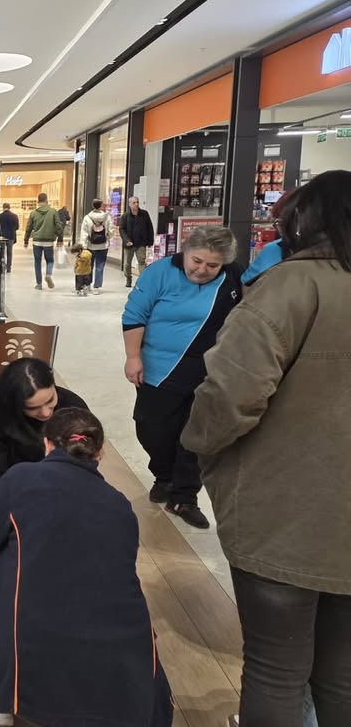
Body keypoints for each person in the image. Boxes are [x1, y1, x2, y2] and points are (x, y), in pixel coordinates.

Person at [182, 170, 351, 727]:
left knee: (278, 670)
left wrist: (200, 452)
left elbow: (229, 394)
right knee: (342, 674)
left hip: (288, 512)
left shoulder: (292, 287)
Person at [0, 407, 173, 727]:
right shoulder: (121, 506)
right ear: (99, 452)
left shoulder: (21, 478)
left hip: (28, 657)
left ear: (46, 444)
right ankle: (95, 720)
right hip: (121, 669)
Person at [121, 225, 242, 530]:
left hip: (210, 370)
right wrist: (133, 357)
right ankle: (164, 475)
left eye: (212, 265)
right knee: (151, 427)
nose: (202, 270)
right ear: (185, 252)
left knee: (196, 434)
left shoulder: (234, 278)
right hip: (159, 367)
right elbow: (134, 315)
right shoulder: (159, 273)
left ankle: (184, 496)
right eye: (197, 261)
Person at [0, 357, 88, 500]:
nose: (46, 412)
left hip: (65, 490)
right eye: (33, 408)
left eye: (50, 400)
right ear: (14, 404)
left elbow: (87, 464)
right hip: (10, 492)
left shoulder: (74, 408)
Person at [22, 192, 64, 290]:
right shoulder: (53, 212)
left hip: (37, 242)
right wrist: (60, 239)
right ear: (46, 200)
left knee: (37, 262)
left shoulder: (33, 213)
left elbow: (28, 228)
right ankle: (48, 274)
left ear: (38, 201)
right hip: (48, 241)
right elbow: (59, 226)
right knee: (50, 260)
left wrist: (26, 240)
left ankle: (39, 284)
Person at [119, 196, 154, 288]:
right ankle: (128, 278)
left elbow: (149, 227)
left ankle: (142, 280)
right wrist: (127, 240)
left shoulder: (144, 214)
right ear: (129, 204)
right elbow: (122, 230)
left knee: (142, 262)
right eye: (134, 203)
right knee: (127, 263)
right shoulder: (125, 216)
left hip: (140, 243)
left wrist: (150, 241)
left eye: (137, 202)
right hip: (129, 244)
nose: (136, 204)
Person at [80, 199, 111, 294]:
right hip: (103, 246)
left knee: (89, 266)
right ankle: (97, 287)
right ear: (101, 206)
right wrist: (107, 237)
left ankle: (88, 284)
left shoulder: (87, 217)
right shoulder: (106, 217)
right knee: (100, 266)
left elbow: (84, 232)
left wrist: (84, 245)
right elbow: (111, 230)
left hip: (90, 246)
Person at [0, 202, 19, 273]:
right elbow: (17, 227)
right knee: (9, 253)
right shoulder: (14, 216)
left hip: (2, 237)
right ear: (9, 207)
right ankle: (9, 268)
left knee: (2, 253)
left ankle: (1, 267)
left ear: (3, 208)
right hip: (11, 236)